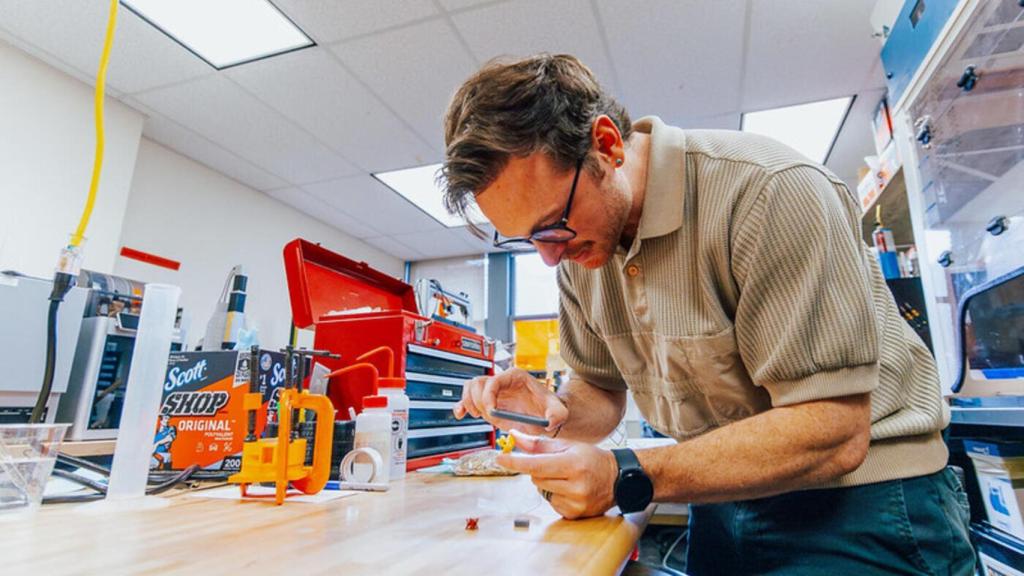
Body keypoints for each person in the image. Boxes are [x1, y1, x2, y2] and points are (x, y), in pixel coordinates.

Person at [442, 54, 974, 575]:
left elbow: (833, 428)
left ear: (606, 146)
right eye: (527, 239)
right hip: (721, 498)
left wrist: (624, 475)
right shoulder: (582, 252)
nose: (549, 256)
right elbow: (601, 391)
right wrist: (553, 410)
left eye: (551, 225)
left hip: (866, 507)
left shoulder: (768, 191)